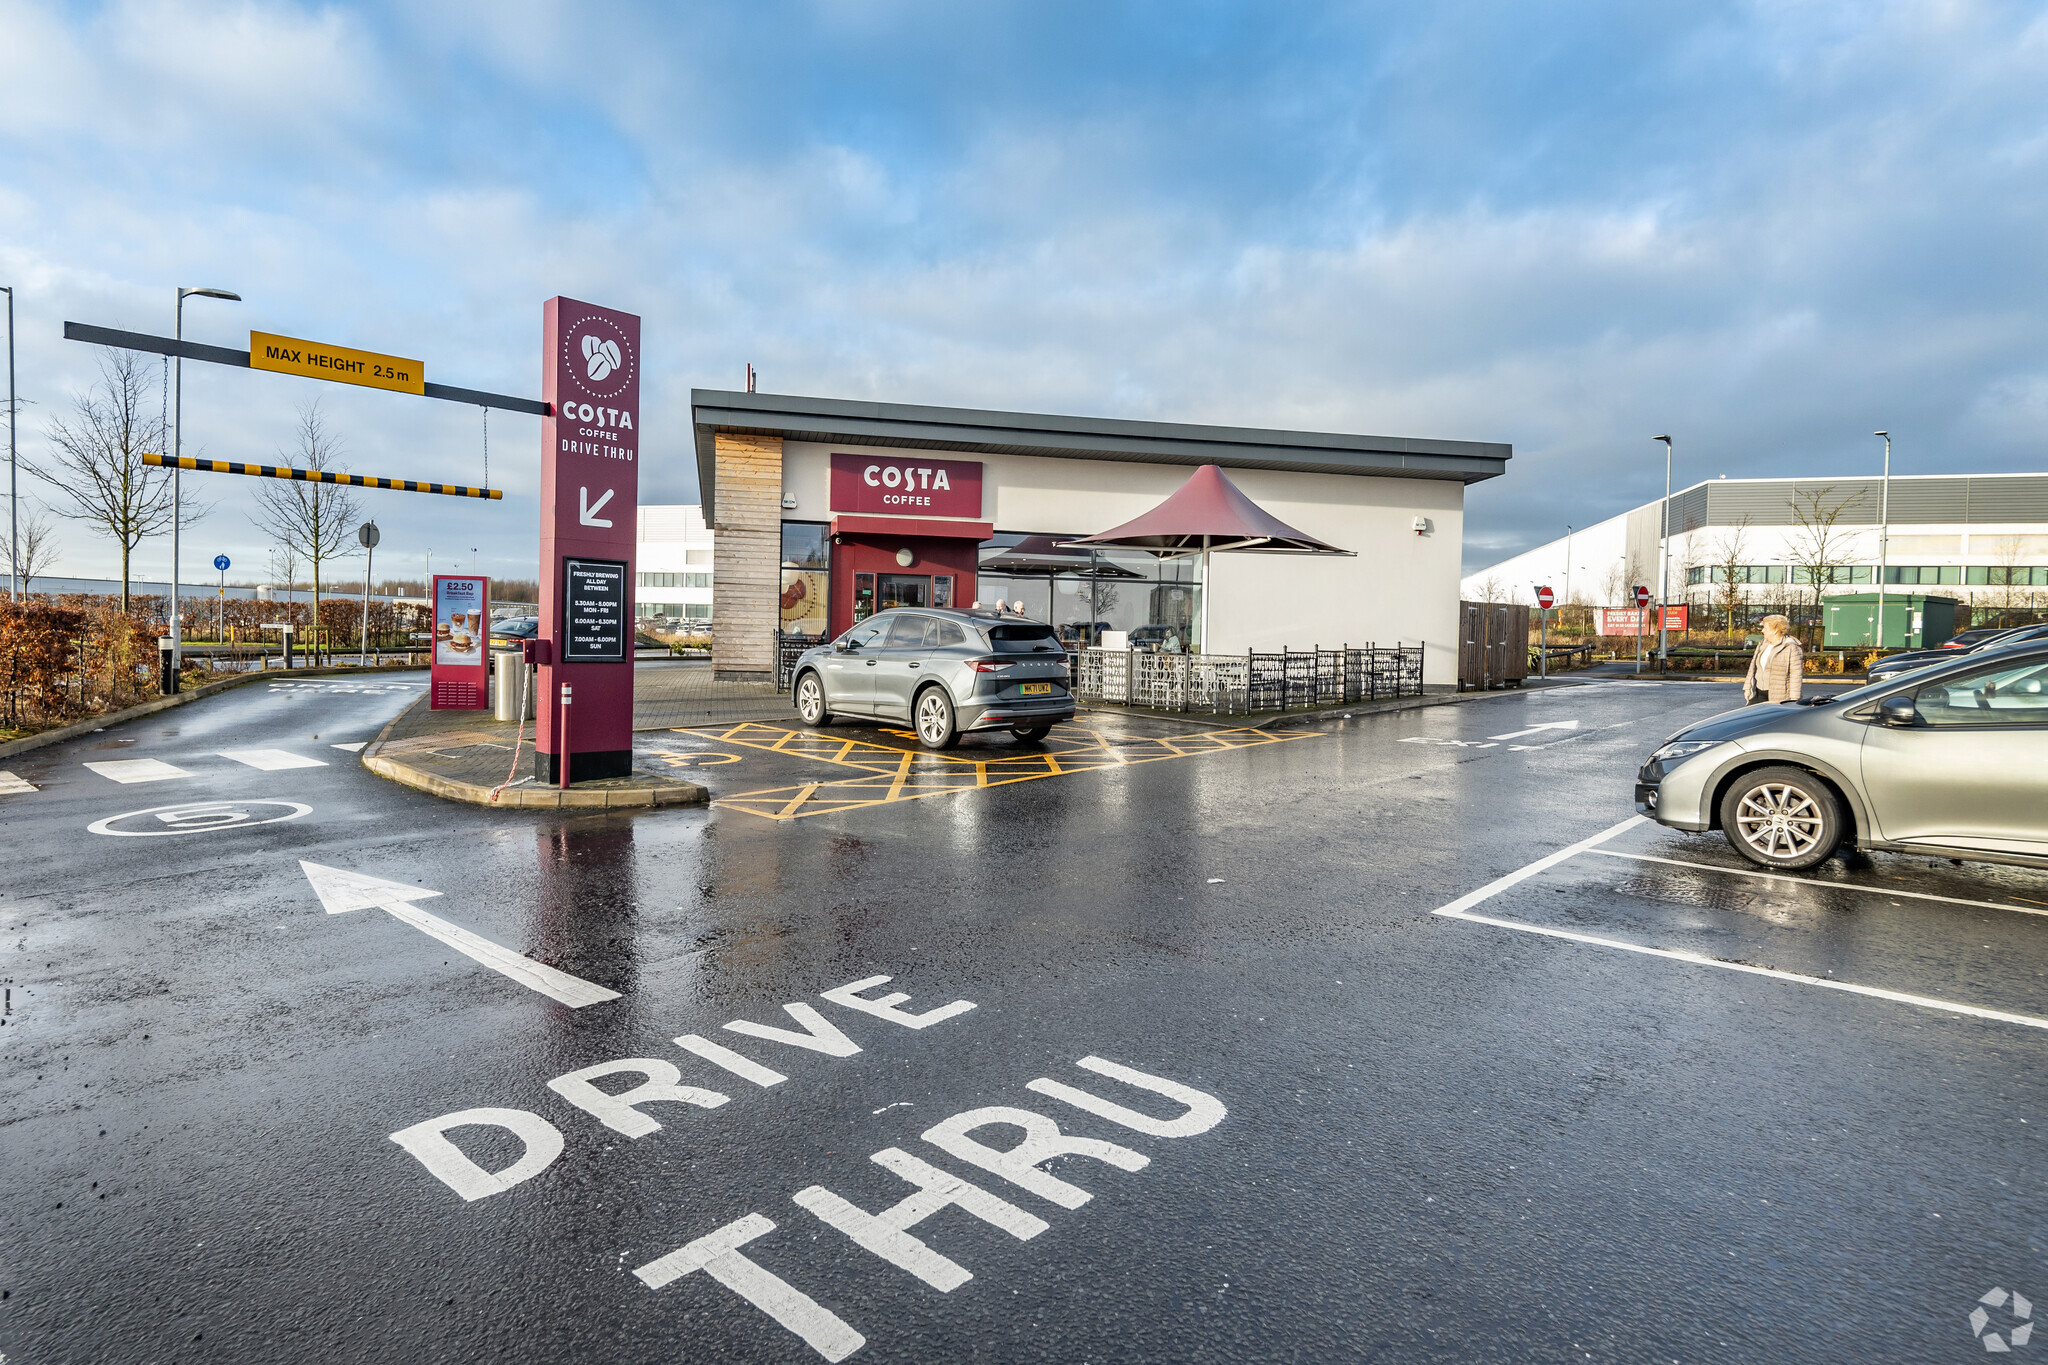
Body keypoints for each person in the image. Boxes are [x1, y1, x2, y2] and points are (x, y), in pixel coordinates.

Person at [1744, 614, 1805, 703]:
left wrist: (1794, 699)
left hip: (1779, 697)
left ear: (1775, 630)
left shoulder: (1791, 647)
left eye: (1765, 628)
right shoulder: (1762, 645)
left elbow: (1796, 675)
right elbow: (1753, 668)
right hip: (1758, 693)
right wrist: (1748, 688)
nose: (1762, 630)